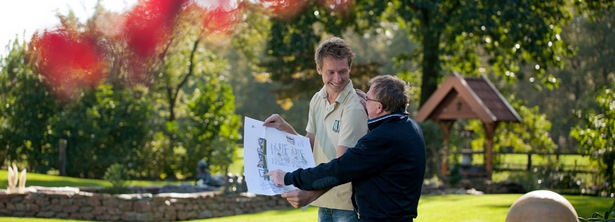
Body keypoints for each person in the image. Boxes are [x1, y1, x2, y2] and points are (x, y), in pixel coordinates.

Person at [266, 75, 427, 222]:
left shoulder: (382, 139)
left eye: (368, 98)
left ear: (379, 107)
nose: (363, 100)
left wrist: (289, 177)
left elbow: (339, 169)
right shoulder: (409, 126)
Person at [264, 37, 368, 222]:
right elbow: (309, 148)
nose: (338, 79)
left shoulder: (354, 108)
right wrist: (285, 128)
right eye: (331, 72)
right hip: (324, 201)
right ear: (319, 69)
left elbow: (343, 166)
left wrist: (310, 194)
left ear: (350, 67)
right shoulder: (317, 100)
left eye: (343, 71)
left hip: (347, 205)